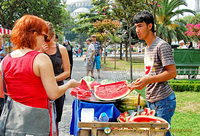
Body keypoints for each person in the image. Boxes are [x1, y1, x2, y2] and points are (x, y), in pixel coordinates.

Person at [0, 15, 80, 135]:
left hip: (12, 123)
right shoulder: (41, 59)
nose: (45, 40)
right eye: (44, 35)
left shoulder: (5, 60)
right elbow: (53, 94)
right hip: (35, 122)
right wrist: (70, 84)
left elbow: (2, 93)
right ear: (33, 34)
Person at [130, 11, 177, 136]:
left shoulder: (161, 46)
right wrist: (141, 81)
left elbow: (172, 73)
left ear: (149, 26)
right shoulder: (147, 47)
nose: (137, 30)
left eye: (140, 26)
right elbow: (153, 72)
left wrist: (148, 80)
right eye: (136, 27)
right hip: (152, 100)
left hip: (163, 100)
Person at [41, 22, 71, 136]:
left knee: (56, 121)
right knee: (41, 121)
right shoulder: (38, 49)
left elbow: (67, 72)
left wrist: (52, 79)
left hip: (58, 89)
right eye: (42, 38)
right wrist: (40, 53)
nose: (45, 42)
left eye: (47, 39)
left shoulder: (61, 49)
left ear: (53, 36)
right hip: (41, 90)